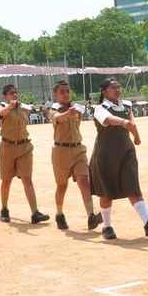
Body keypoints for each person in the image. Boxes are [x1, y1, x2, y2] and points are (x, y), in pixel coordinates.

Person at [89, 78, 148, 240]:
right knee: (106, 193)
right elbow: (108, 120)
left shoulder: (126, 106)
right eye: (113, 88)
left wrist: (136, 137)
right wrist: (123, 123)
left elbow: (132, 124)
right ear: (104, 92)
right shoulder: (100, 108)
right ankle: (107, 226)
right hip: (106, 155)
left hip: (126, 153)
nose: (118, 90)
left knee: (133, 187)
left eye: (118, 87)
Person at [48, 80, 99, 231]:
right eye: (62, 92)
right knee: (62, 186)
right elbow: (58, 118)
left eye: (67, 91)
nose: (66, 94)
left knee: (84, 181)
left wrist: (73, 111)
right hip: (61, 151)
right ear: (55, 95)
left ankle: (91, 215)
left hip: (78, 149)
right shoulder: (53, 109)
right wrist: (68, 113)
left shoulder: (77, 108)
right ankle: (59, 214)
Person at [0, 83, 50, 224]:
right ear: (5, 96)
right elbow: (1, 113)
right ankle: (4, 209)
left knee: (27, 179)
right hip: (8, 147)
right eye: (11, 93)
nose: (14, 95)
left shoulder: (23, 108)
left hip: (24, 146)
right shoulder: (2, 106)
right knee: (6, 180)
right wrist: (10, 106)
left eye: (15, 92)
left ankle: (35, 212)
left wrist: (42, 109)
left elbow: (35, 109)